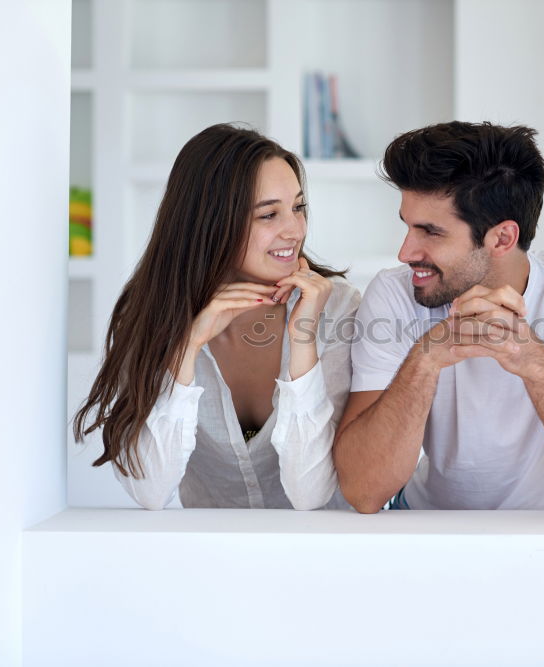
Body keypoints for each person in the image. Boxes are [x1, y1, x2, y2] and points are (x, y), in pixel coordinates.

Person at [333, 121, 544, 515]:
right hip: (422, 529)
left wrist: (535, 363)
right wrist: (427, 358)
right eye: (407, 226)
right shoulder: (395, 294)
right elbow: (364, 491)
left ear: (502, 238)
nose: (405, 252)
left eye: (430, 232)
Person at [73, 124, 359, 510]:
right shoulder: (151, 314)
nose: (294, 230)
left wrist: (303, 338)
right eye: (269, 215)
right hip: (210, 560)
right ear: (210, 221)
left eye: (298, 207)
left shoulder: (337, 308)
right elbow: (150, 492)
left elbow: (312, 495)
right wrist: (185, 346)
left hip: (324, 556)